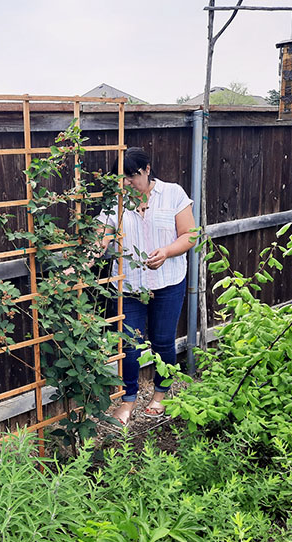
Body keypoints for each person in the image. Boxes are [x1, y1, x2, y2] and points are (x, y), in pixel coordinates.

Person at [99, 147, 196, 426]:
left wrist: (166, 252)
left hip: (168, 283)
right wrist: (81, 260)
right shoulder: (115, 202)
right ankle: (128, 399)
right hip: (129, 285)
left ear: (148, 170)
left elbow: (190, 235)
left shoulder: (173, 194)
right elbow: (101, 238)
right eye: (123, 178)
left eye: (133, 177)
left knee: (163, 340)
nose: (128, 183)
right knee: (128, 346)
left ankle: (160, 395)